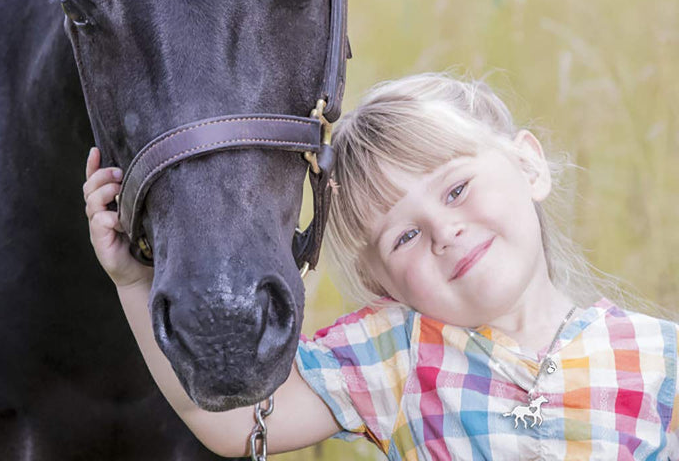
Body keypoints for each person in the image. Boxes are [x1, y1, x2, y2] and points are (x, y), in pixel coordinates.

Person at [83, 72, 679, 458]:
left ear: (529, 166)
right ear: (381, 284)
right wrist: (136, 280)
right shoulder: (398, 354)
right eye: (405, 237)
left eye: (456, 190)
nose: (445, 232)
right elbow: (236, 421)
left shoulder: (661, 360)